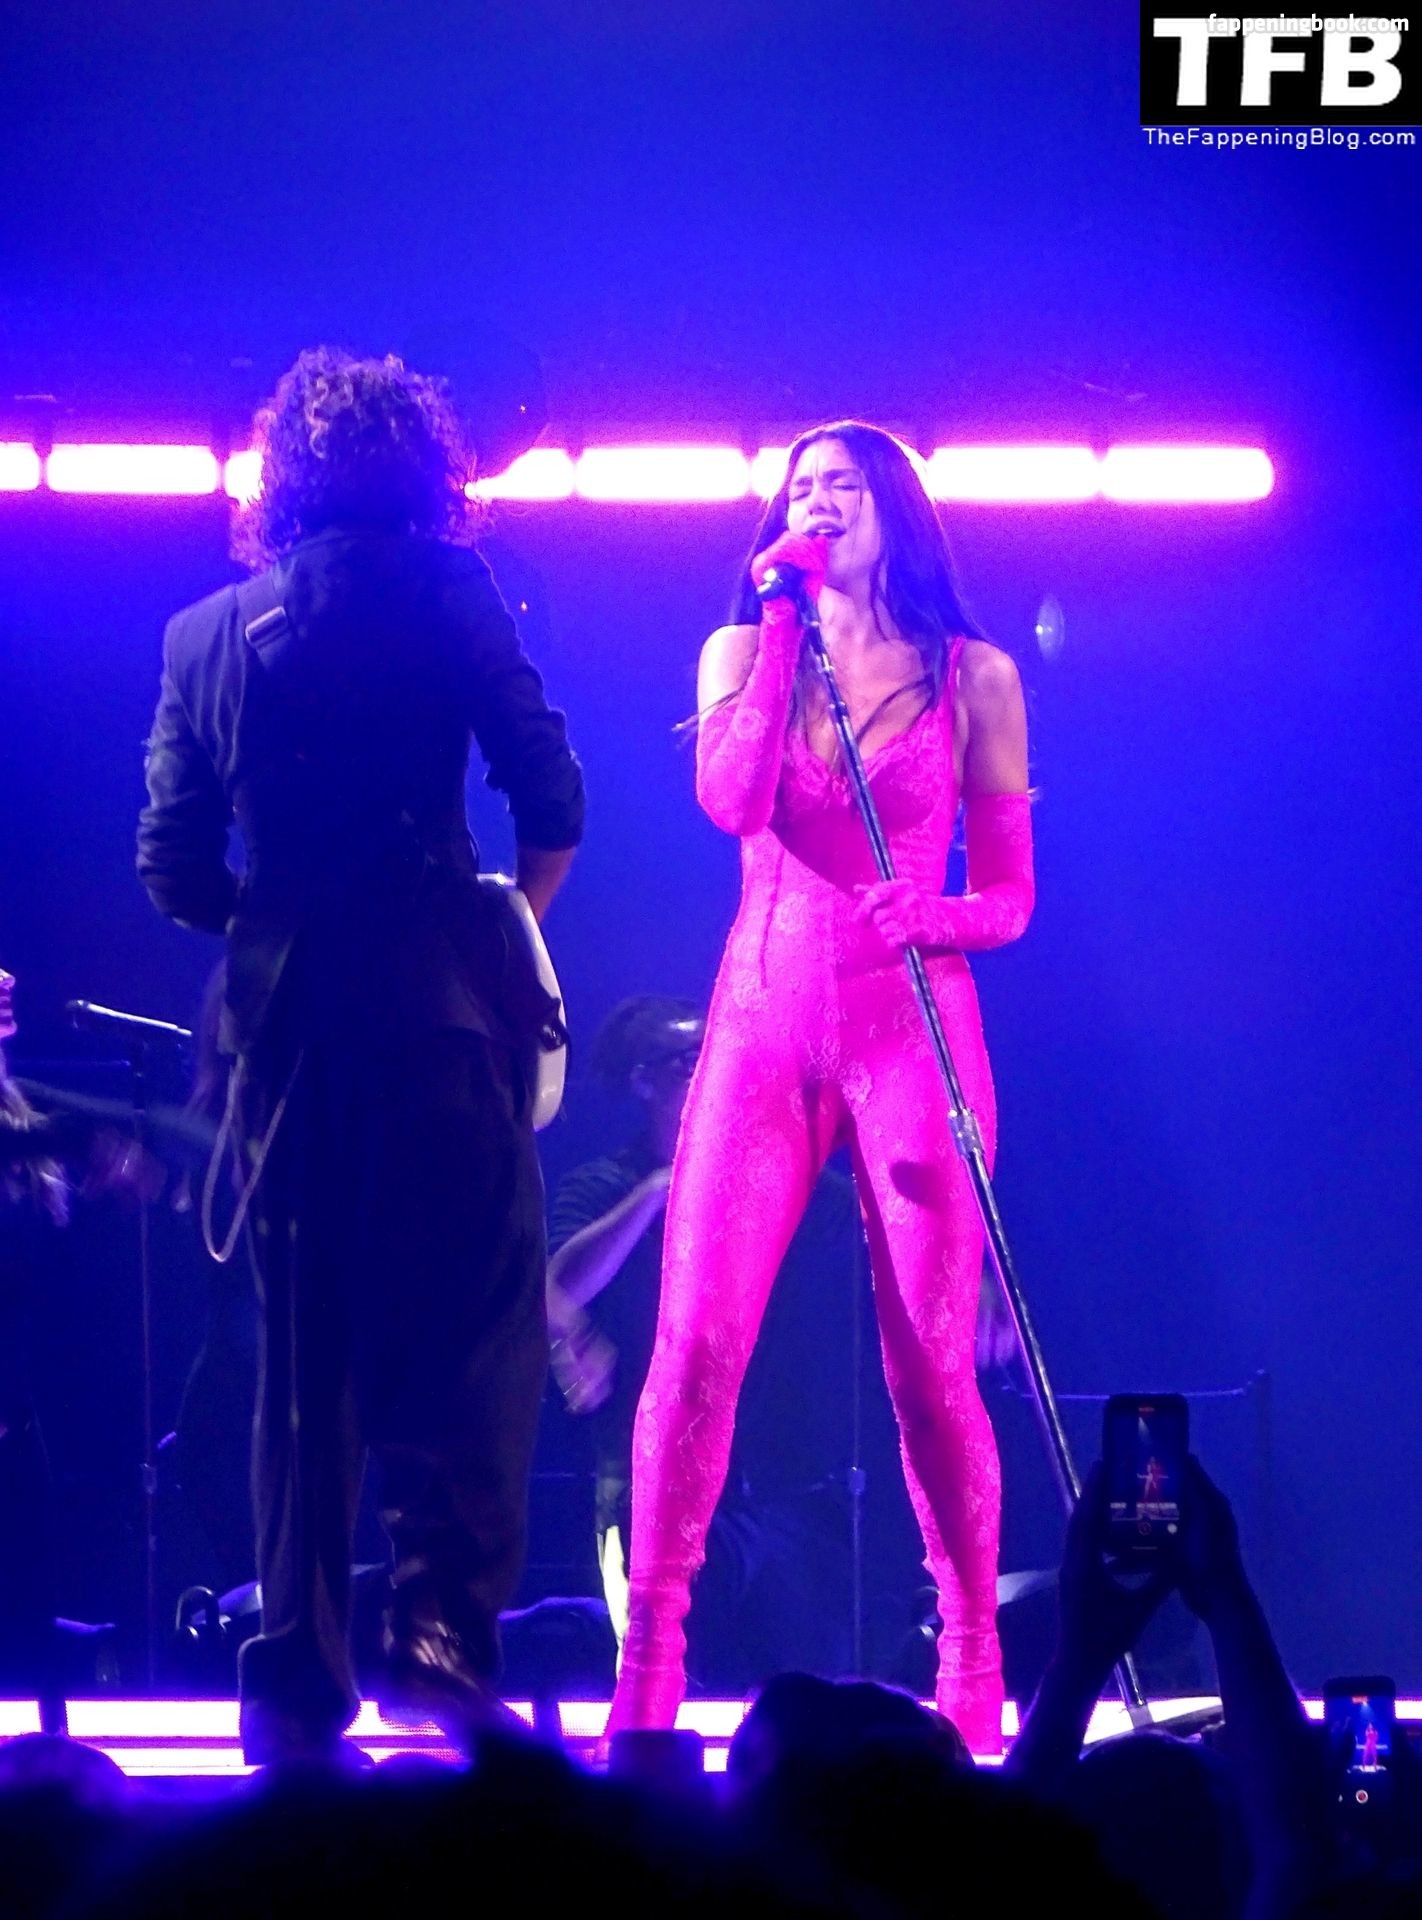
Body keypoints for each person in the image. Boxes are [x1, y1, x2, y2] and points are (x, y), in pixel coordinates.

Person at [136, 348, 585, 1763]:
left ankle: (295, 1675)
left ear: (282, 480)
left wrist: (275, 923)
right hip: (440, 1018)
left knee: (302, 1360)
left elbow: (170, 866)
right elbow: (551, 791)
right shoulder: (452, 591)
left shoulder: (205, 634)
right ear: (421, 468)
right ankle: (440, 1639)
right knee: (477, 1323)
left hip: (285, 1040)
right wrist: (502, 922)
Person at [606, 422, 1034, 1755]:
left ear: (894, 506)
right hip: (763, 1025)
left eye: (841, 485)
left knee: (930, 1364)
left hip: (911, 1022)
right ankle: (649, 1664)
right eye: (799, 490)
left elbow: (1011, 896)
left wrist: (939, 915)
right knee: (694, 1342)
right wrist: (783, 620)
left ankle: (971, 1658)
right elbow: (733, 801)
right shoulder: (740, 652)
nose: (817, 503)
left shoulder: (974, 675)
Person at [546, 995, 871, 1691]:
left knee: (808, 1693)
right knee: (667, 1689)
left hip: (781, 1491)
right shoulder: (606, 1185)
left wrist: (978, 1285)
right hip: (655, 1491)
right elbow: (558, 1284)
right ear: (642, 1081)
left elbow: (882, 1223)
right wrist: (658, 1192)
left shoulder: (780, 1178)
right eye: (690, 1059)